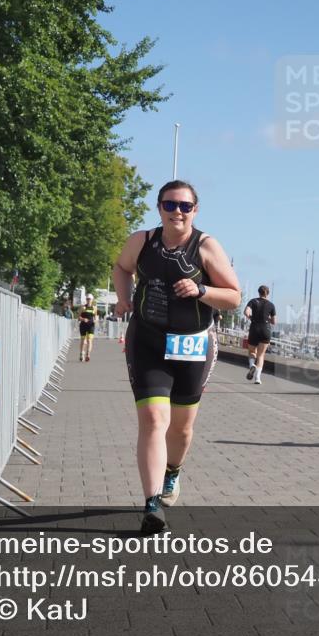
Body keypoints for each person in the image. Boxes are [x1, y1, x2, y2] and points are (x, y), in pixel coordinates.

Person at [113, 180, 240, 533]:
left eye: (185, 206)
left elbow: (233, 296)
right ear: (159, 209)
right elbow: (121, 268)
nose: (177, 212)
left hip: (192, 345)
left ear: (195, 210)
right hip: (148, 341)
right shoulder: (141, 241)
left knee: (181, 430)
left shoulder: (206, 246)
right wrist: (124, 298)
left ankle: (173, 471)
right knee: (154, 420)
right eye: (170, 205)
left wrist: (201, 290)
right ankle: (152, 504)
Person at [243, 285, 276, 385]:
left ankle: (252, 365)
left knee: (252, 351)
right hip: (265, 330)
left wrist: (251, 317)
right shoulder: (271, 305)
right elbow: (274, 321)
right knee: (261, 355)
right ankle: (257, 378)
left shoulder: (253, 301)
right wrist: (267, 319)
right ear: (267, 293)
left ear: (259, 292)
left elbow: (246, 312)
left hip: (255, 328)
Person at [78, 294, 97, 361]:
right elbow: (78, 317)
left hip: (91, 325)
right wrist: (83, 319)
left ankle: (88, 355)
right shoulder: (83, 307)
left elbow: (95, 317)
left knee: (89, 340)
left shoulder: (94, 308)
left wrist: (95, 320)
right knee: (83, 341)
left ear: (92, 300)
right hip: (83, 325)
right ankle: (81, 353)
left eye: (89, 299)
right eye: (87, 299)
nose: (88, 300)